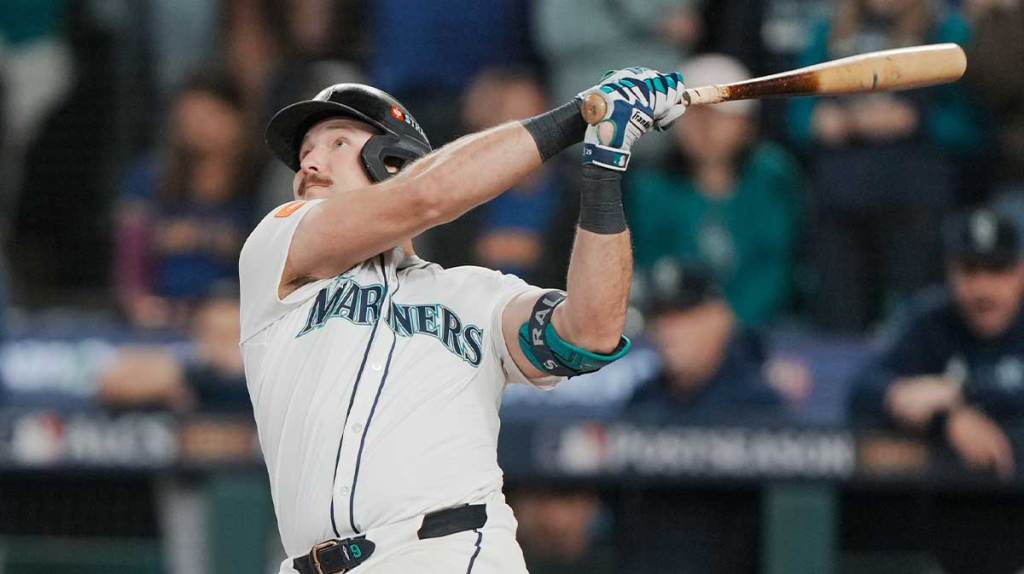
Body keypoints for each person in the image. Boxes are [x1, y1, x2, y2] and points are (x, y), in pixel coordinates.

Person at [239, 69, 688, 574]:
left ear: (394, 161)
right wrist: (580, 115)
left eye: (337, 142)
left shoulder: (477, 294)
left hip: (448, 552)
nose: (309, 165)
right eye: (303, 157)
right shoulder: (275, 252)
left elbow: (589, 333)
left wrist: (603, 169)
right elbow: (427, 197)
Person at [788, 0, 987, 331]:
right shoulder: (830, 32)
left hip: (913, 205)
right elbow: (793, 111)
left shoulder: (945, 31)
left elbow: (973, 123)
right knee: (839, 326)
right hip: (841, 205)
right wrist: (817, 121)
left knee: (913, 323)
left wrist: (914, 120)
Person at [628, 54, 804, 328]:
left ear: (746, 124)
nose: (703, 128)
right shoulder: (652, 185)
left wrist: (729, 318)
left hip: (768, 329)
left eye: (717, 116)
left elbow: (778, 266)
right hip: (674, 327)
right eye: (692, 116)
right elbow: (647, 262)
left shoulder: (771, 176)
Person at [850, 207, 1024, 481]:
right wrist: (946, 420)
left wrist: (959, 398)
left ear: (1020, 274)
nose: (983, 289)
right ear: (951, 272)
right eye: (970, 271)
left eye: (996, 270)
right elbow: (862, 390)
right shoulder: (931, 320)